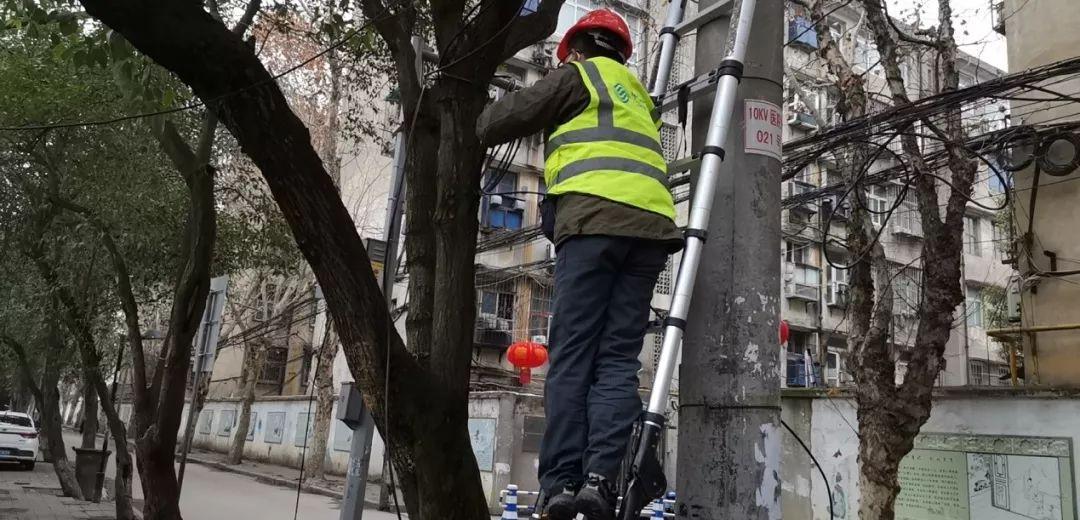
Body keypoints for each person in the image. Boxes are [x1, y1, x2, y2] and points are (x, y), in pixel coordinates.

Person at [476, 9, 681, 520]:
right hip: (650, 231)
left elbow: (501, 121)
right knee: (616, 361)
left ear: (576, 49)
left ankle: (561, 484)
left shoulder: (579, 76)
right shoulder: (639, 97)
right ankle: (598, 479)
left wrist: (472, 110)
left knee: (571, 355)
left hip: (592, 224)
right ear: (621, 51)